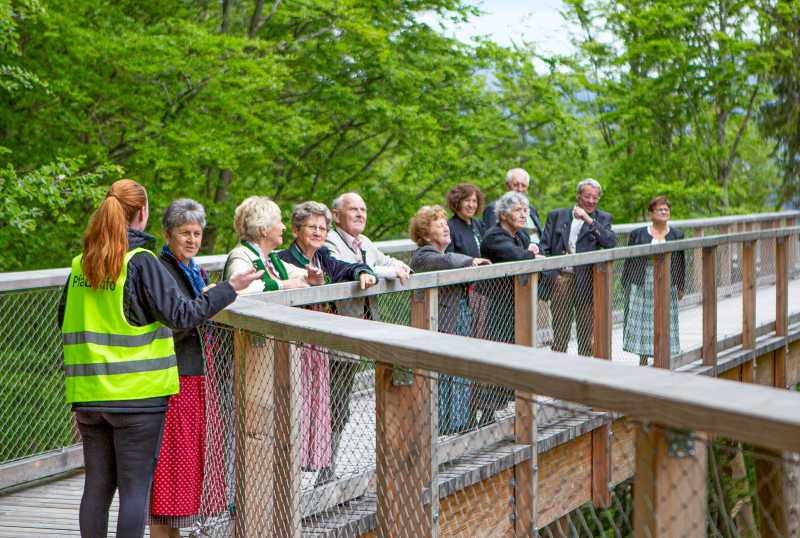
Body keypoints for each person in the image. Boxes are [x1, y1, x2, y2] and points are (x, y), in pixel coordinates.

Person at [58, 179, 261, 538]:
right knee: (134, 490)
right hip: (137, 396)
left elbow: (64, 319)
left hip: (88, 394)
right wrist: (229, 289)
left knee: (97, 487)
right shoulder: (141, 262)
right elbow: (181, 315)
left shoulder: (80, 265)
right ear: (143, 213)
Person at [278, 201, 377, 484]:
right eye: (311, 227)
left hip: (323, 346)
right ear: (296, 230)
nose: (318, 232)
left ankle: (324, 473)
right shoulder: (282, 259)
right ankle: (288, 479)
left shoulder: (323, 256)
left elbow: (347, 267)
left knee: (330, 407)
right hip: (294, 346)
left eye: (322, 228)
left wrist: (363, 272)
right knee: (294, 408)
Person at [148, 199, 227, 537]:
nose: (192, 240)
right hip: (175, 378)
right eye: (184, 233)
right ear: (167, 234)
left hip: (197, 375)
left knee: (188, 468)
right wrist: (207, 301)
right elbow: (173, 323)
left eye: (196, 233)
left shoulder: (194, 270)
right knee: (171, 469)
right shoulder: (161, 271)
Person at [408, 205, 491, 434]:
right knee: (443, 372)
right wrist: (472, 260)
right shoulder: (423, 255)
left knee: (459, 369)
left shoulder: (444, 255)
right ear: (426, 234)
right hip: (439, 323)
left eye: (446, 224)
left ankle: (458, 423)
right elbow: (446, 262)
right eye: (439, 225)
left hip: (459, 317)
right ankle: (442, 426)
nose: (446, 228)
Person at [478, 191, 540, 425]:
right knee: (496, 352)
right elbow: (517, 256)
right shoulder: (494, 237)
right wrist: (531, 253)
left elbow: (526, 254)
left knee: (516, 349)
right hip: (495, 304)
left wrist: (530, 252)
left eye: (525, 210)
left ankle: (512, 401)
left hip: (514, 303)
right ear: (503, 215)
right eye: (517, 210)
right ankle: (487, 411)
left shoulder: (520, 235)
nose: (523, 215)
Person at [540, 178, 617, 356]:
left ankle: (584, 369)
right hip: (561, 279)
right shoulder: (557, 216)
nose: (591, 201)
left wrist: (589, 220)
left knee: (586, 333)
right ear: (578, 196)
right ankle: (558, 370)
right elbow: (544, 247)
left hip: (587, 280)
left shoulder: (602, 218)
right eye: (587, 196)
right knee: (560, 333)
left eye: (595, 197)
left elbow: (610, 242)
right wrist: (553, 276)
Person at [621, 196, 685, 365]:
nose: (664, 212)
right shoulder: (638, 234)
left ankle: (662, 356)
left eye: (666, 209)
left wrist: (680, 286)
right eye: (660, 209)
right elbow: (629, 259)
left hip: (668, 282)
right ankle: (643, 358)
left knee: (666, 317)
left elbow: (680, 262)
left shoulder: (677, 234)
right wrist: (625, 282)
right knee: (643, 319)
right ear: (651, 213)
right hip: (643, 281)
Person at [325, 192, 411, 319]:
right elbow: (346, 269)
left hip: (370, 320)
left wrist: (403, 267)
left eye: (363, 210)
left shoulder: (364, 241)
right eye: (353, 209)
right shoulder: (329, 241)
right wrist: (391, 271)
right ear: (336, 216)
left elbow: (385, 261)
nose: (360, 214)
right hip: (341, 322)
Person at [223, 196, 322, 292]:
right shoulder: (240, 256)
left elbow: (297, 275)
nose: (284, 227)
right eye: (279, 222)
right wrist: (283, 285)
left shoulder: (269, 259)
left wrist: (312, 277)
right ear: (263, 230)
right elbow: (237, 287)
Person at [482, 168, 543, 247]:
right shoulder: (495, 208)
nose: (520, 189)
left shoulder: (532, 209)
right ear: (507, 186)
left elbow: (537, 235)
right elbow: (494, 242)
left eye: (523, 185)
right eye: (516, 185)